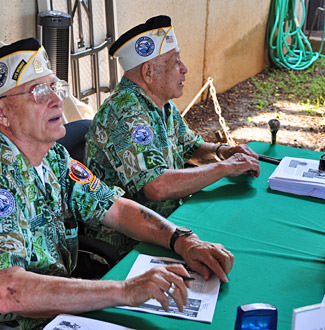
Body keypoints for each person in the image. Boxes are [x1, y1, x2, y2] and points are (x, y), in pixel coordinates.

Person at [0, 38, 234, 330]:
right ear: (0, 111)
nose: (55, 100)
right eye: (37, 92)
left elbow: (115, 208)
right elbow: (10, 292)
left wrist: (182, 240)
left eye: (55, 87)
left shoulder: (54, 158)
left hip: (54, 313)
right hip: (4, 324)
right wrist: (126, 290)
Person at [84, 15, 259, 253]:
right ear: (148, 72)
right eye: (176, 61)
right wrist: (225, 168)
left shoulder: (160, 103)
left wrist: (223, 152)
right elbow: (156, 187)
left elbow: (191, 147)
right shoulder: (125, 111)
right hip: (131, 244)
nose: (184, 69)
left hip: (169, 223)